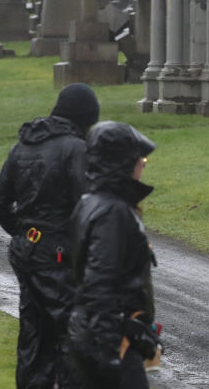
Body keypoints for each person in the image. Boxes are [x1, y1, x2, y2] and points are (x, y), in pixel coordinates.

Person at [0, 83, 100, 389]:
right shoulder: (75, 149)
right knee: (70, 338)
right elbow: (88, 206)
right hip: (59, 255)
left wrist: (25, 232)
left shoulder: (22, 146)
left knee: (34, 339)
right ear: (83, 118)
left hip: (27, 252)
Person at [68, 121, 160, 389]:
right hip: (109, 340)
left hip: (99, 334)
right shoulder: (112, 213)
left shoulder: (90, 202)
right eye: (140, 159)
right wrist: (109, 354)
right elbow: (100, 283)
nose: (143, 165)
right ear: (121, 164)